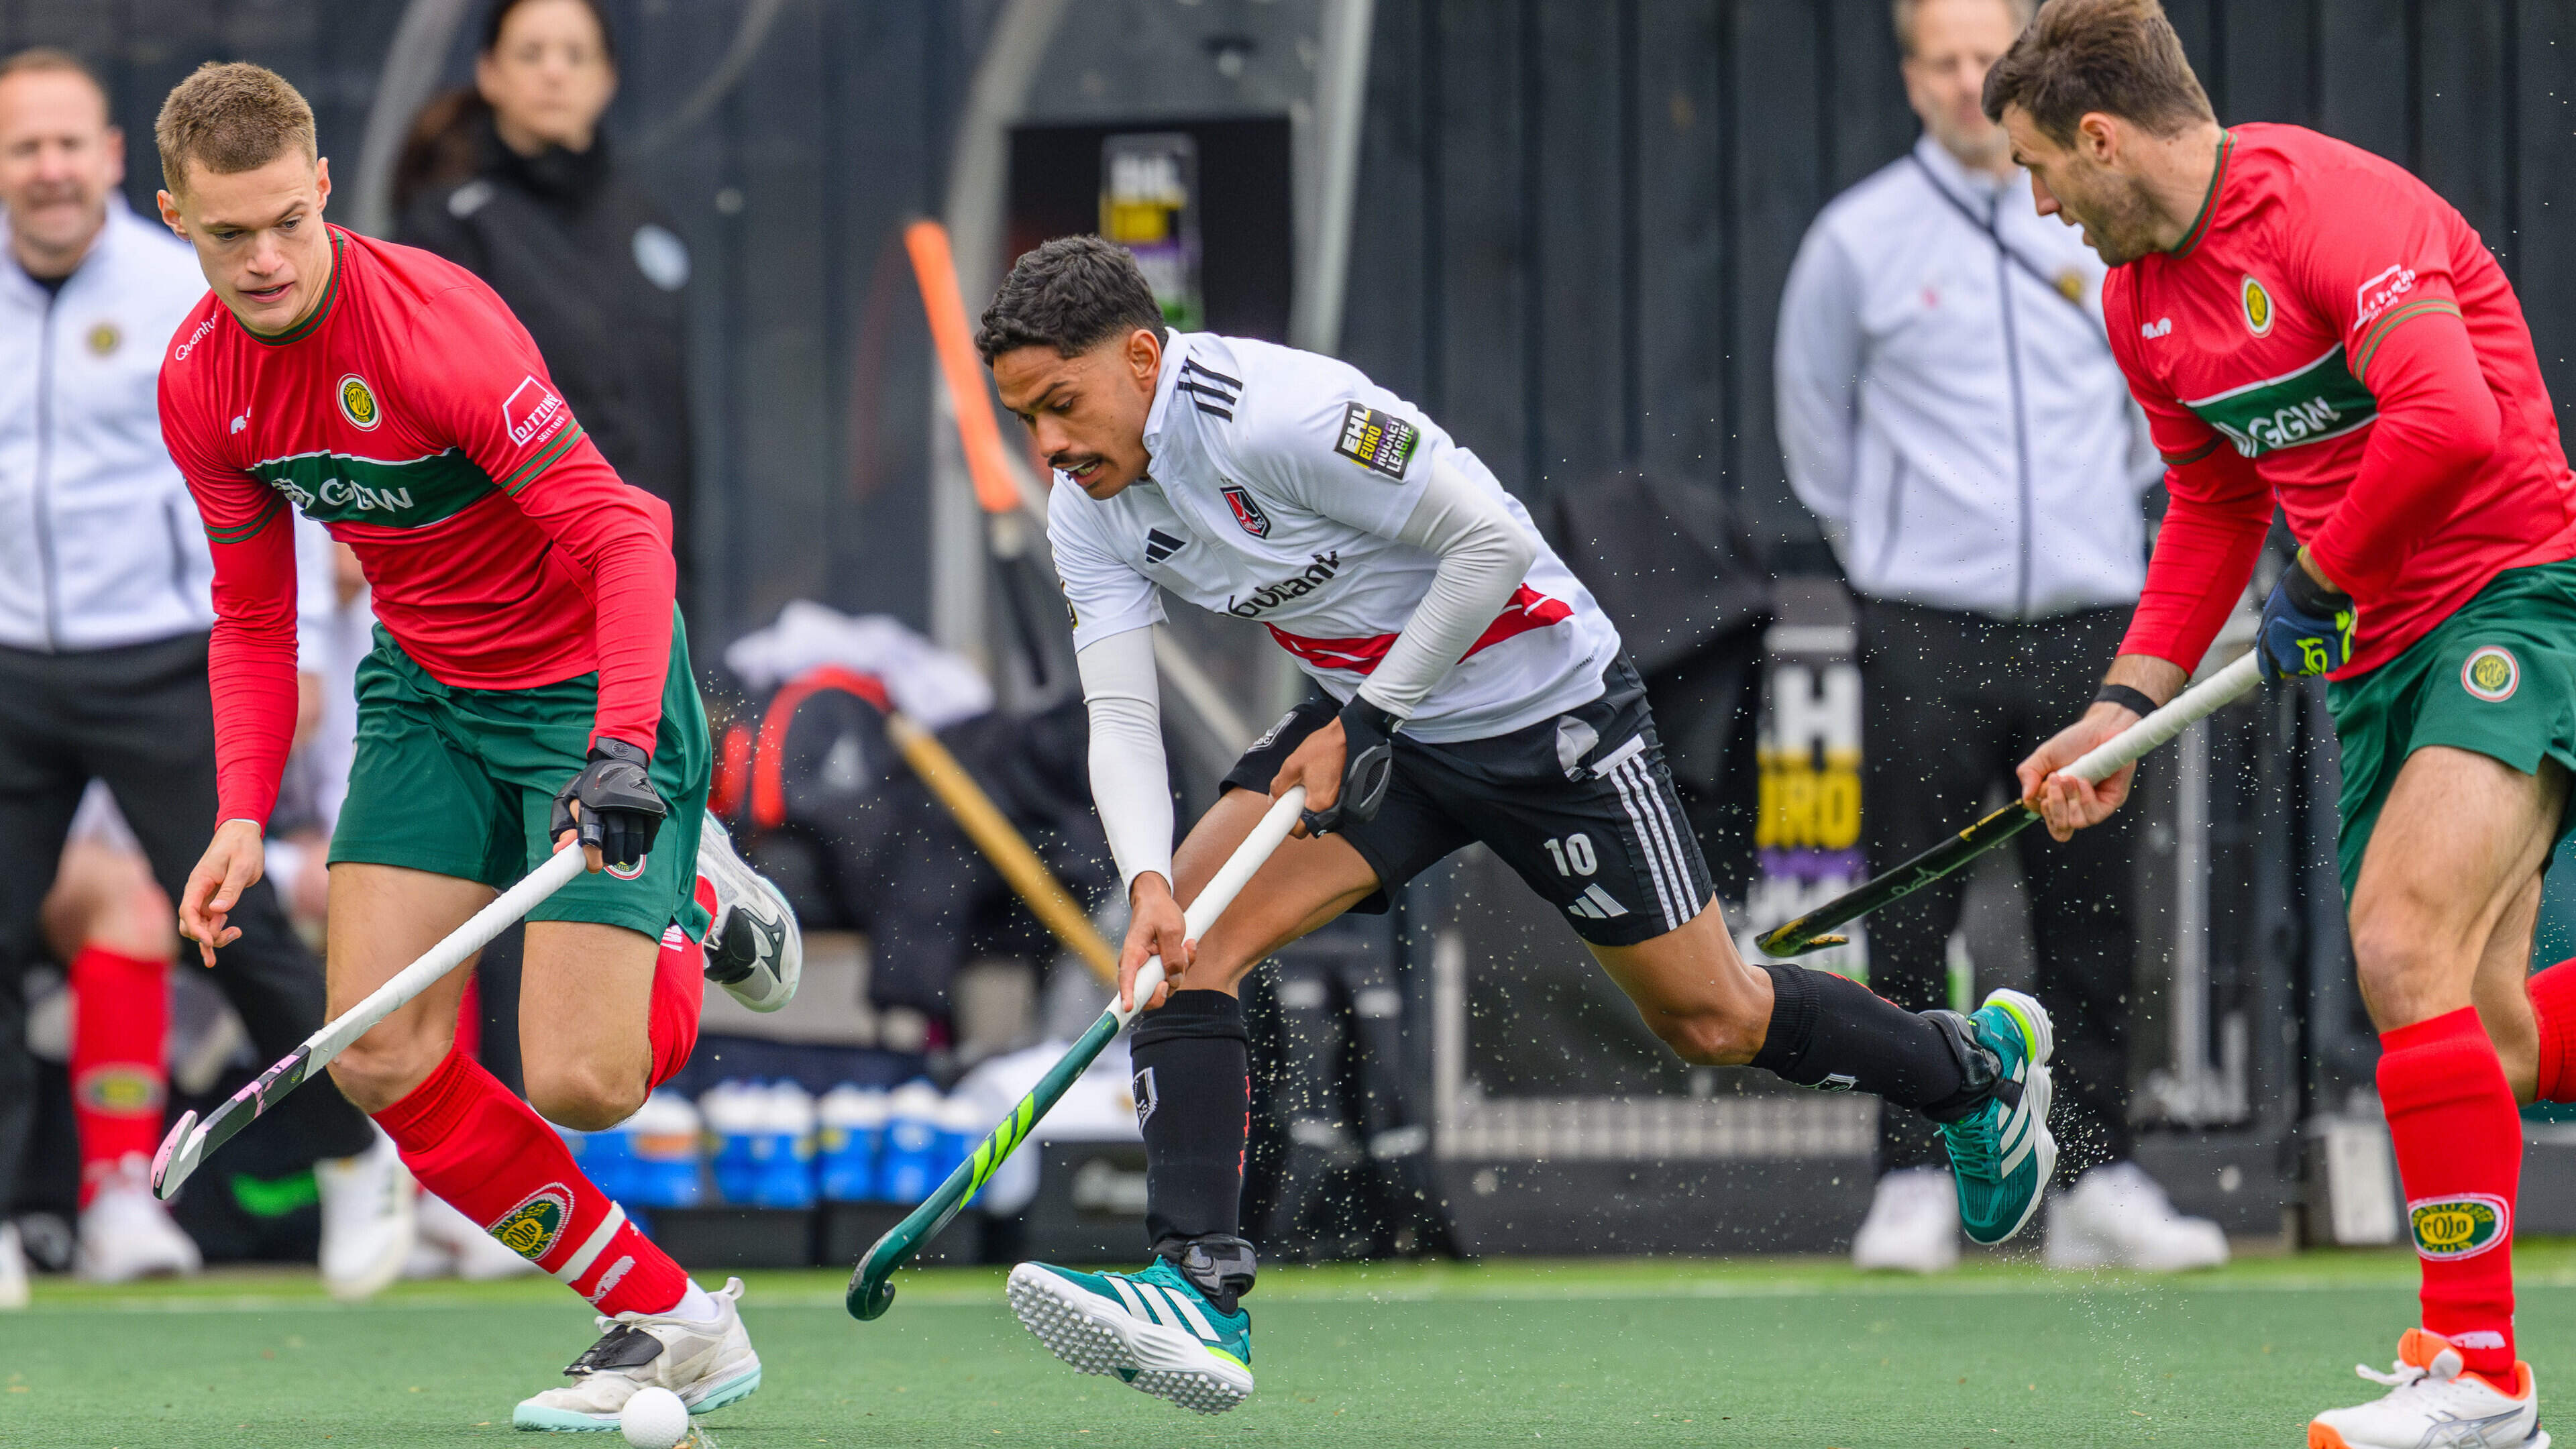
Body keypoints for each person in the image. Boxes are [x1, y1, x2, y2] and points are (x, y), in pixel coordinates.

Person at [976, 234, 2059, 1415]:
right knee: (1186, 941)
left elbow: (1489, 545)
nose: (1050, 446)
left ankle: (1971, 1079)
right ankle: (1199, 1292)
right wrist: (1142, 881)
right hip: (1382, 728)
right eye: (1025, 418)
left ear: (1142, 358)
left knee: (1714, 1017)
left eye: (1061, 405)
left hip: (1546, 718)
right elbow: (1121, 710)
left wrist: (1374, 715)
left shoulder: (1286, 416)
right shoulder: (1090, 502)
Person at [147, 61, 793, 1428]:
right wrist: (243, 814)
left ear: (324, 190)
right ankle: (667, 1317)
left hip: (586, 692)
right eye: (225, 234)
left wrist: (623, 745)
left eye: (285, 222)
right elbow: (254, 614)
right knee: (377, 1050)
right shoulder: (202, 384)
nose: (263, 260)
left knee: (583, 1082)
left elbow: (630, 534)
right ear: (175, 219)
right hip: (426, 693)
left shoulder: (435, 333)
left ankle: (697, 892)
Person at [1990, 2, 2576, 1444]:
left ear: (2102, 136)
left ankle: (2477, 1371)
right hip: (2380, 647)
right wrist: (2119, 710)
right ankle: (2474, 1370)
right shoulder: (2140, 307)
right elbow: (2210, 507)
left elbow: (2450, 420)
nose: (2041, 203)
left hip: (2514, 600)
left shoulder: (2327, 206)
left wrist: (2318, 575)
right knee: (2484, 1031)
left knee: (2397, 946)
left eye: (2038, 167)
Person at [1775, 0, 2222, 1275]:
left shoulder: (2105, 217)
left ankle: (2096, 1178)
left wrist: (2099, 527)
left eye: (1989, 60)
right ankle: (1913, 1178)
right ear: (1911, 75)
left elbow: (2154, 412)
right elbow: (1816, 422)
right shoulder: (1856, 240)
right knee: (1913, 910)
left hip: (2092, 618)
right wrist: (1890, 557)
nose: (1970, 85)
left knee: (2094, 910)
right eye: (1945, 63)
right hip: (1922, 617)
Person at [0, 46, 410, 1306]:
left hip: (167, 657)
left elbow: (271, 455)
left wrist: (296, 653)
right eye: (25, 147)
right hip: (10, 665)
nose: (52, 169)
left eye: (71, 143)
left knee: (239, 929)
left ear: (121, 164)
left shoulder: (189, 286)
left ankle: (355, 1156)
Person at [393, 0, 698, 618]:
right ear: (489, 73)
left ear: (607, 78)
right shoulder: (448, 227)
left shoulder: (647, 222)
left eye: (575, 55)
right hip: (518, 594)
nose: (554, 73)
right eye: (530, 54)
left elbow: (673, 427)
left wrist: (681, 584)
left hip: (651, 583)